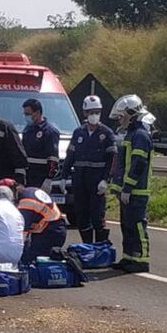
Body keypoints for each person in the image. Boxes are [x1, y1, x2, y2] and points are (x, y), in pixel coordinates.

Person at [61, 95, 117, 243]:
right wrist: (63, 176)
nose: (94, 115)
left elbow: (112, 159)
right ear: (84, 113)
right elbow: (70, 156)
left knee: (97, 215)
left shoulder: (107, 134)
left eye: (97, 111)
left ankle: (100, 247)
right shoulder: (78, 133)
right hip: (79, 181)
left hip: (97, 181)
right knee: (82, 215)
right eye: (91, 112)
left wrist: (106, 180)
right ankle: (87, 246)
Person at [108, 94, 154, 273]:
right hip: (127, 191)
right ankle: (129, 257)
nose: (120, 120)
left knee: (136, 225)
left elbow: (138, 164)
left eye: (121, 116)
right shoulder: (132, 133)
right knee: (126, 225)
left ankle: (141, 259)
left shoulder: (140, 135)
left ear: (131, 113)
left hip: (137, 191)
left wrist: (128, 187)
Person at [0, 181, 66, 265]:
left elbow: (21, 236)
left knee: (29, 261)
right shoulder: (29, 191)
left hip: (51, 233)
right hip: (53, 228)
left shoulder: (26, 203)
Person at [21, 99, 60, 192]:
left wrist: (48, 179)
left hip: (41, 178)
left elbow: (53, 158)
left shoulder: (50, 132)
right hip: (28, 176)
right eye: (25, 114)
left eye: (28, 114)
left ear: (37, 113)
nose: (26, 117)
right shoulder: (27, 130)